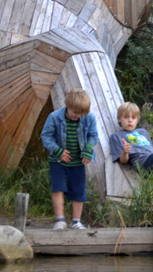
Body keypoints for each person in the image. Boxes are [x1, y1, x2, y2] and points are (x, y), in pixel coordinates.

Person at [40, 88, 98, 230]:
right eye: (75, 112)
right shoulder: (54, 117)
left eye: (81, 113)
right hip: (58, 161)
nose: (78, 115)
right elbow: (46, 136)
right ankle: (60, 220)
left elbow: (93, 136)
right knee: (58, 187)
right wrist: (57, 151)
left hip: (78, 162)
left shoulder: (89, 118)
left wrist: (88, 148)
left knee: (79, 190)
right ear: (67, 105)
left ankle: (76, 222)